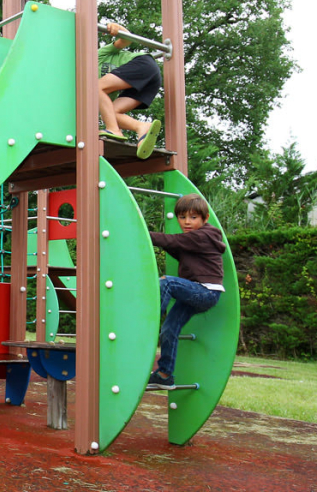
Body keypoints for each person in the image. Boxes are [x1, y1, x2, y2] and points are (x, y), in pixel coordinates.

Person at [147, 194, 226, 390]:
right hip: (195, 292)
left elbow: (171, 240)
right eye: (182, 217)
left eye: (193, 217)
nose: (187, 222)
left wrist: (142, 233)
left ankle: (149, 322)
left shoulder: (204, 235)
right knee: (169, 329)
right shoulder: (193, 240)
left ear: (205, 218)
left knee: (167, 282)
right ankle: (165, 375)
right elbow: (173, 245)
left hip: (205, 291)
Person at [97, 22, 163, 159]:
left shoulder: (98, 56)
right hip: (149, 82)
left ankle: (113, 130)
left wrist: (116, 28)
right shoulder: (99, 89)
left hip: (143, 64)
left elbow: (126, 39)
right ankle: (141, 127)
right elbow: (106, 106)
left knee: (96, 87)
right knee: (111, 113)